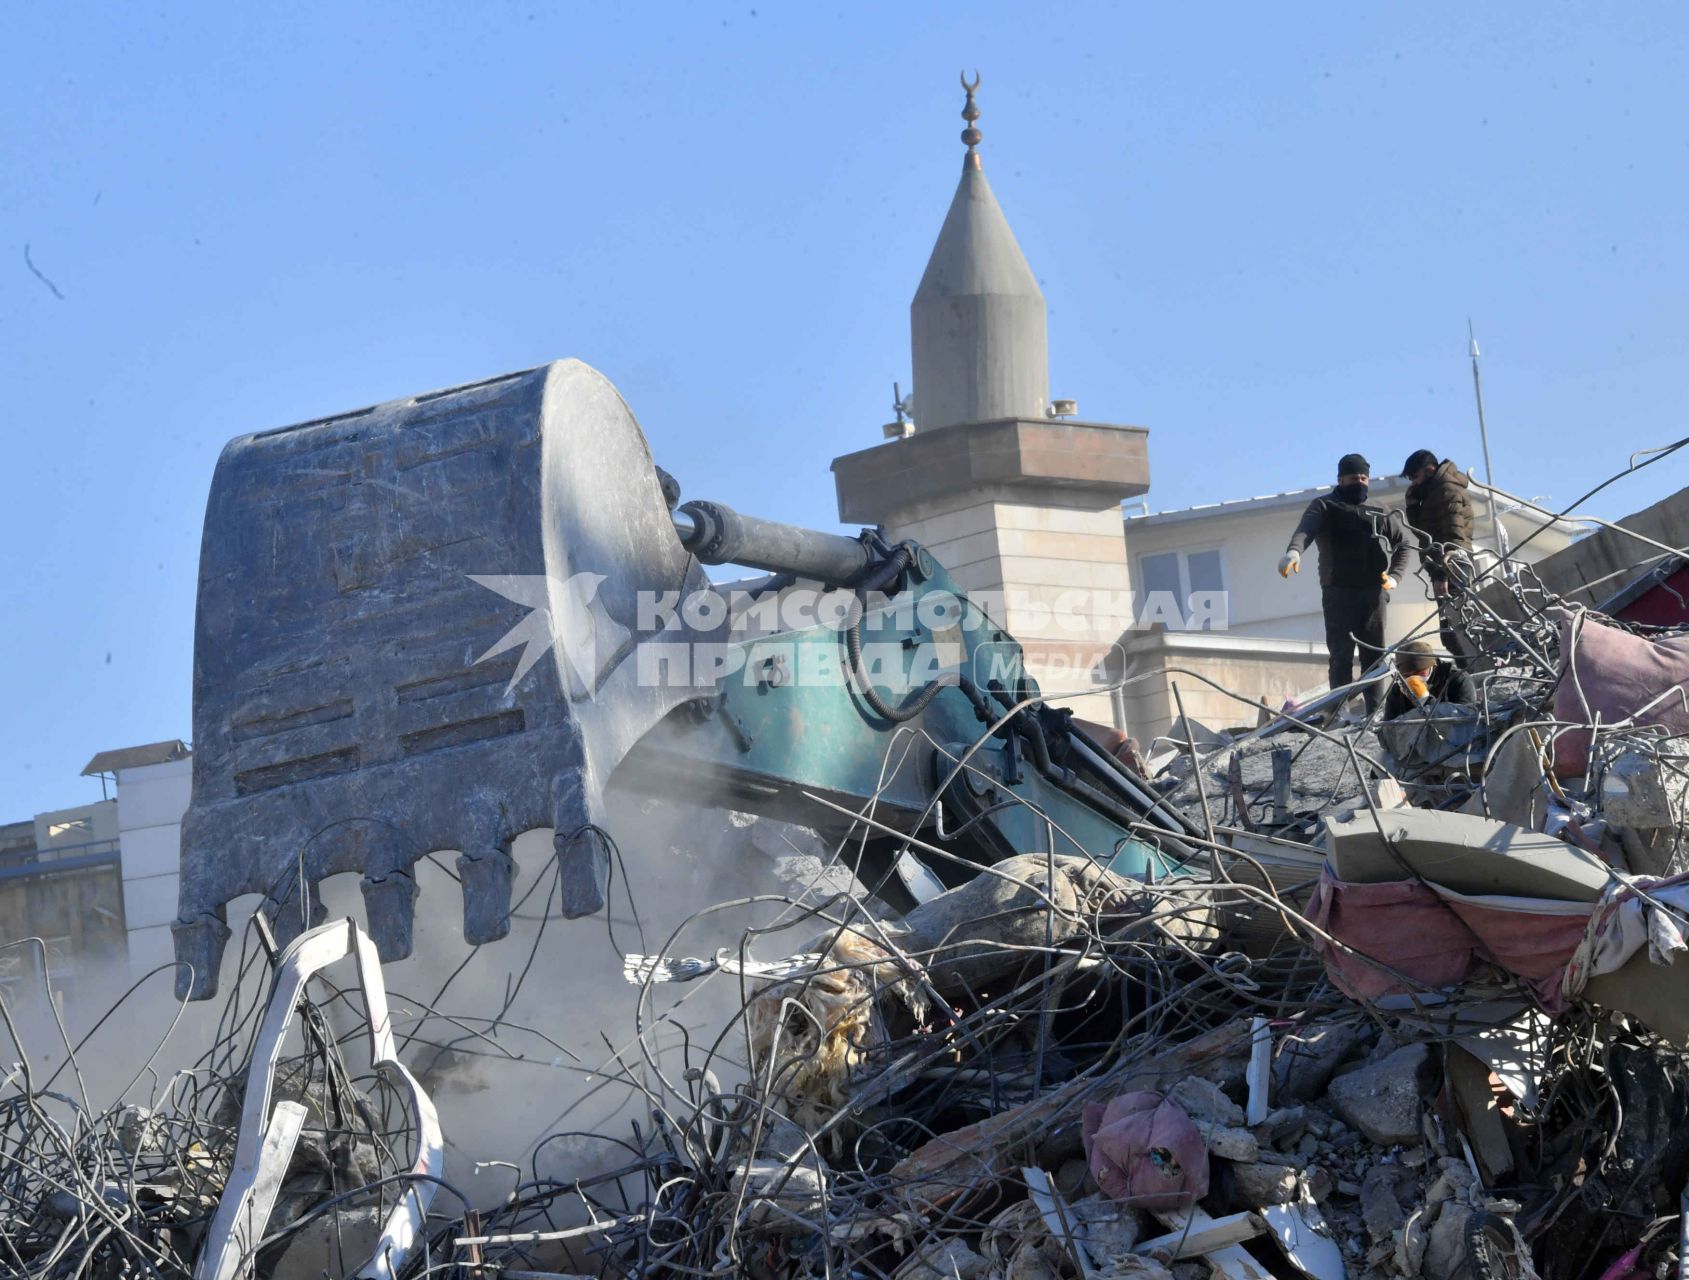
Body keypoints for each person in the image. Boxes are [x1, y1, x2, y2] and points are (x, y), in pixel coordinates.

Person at [1278, 453, 1412, 714]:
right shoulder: (1325, 506)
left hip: (1373, 593)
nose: (1359, 482)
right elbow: (1305, 531)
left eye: (1364, 478)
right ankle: (1338, 714)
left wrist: (1395, 576)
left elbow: (1403, 544)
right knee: (1341, 655)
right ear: (1340, 479)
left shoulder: (1378, 509)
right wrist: (1294, 552)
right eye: (1353, 478)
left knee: (1375, 656)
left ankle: (1375, 713)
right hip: (1338, 592)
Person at [1401, 448, 1477, 664]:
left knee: (1457, 630)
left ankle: (1472, 671)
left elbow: (1453, 537)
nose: (1413, 483)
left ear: (1429, 470)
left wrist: (1442, 575)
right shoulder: (1432, 492)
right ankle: (1468, 670)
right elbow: (1422, 531)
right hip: (1443, 566)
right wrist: (1413, 504)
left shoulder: (1445, 489)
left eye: (1414, 477)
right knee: (1451, 630)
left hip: (1453, 566)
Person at [1382, 640, 1477, 720]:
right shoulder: (1397, 691)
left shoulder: (1457, 679)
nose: (1414, 677)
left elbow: (1466, 719)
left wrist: (1425, 700)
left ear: (1432, 665)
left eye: (1419, 671)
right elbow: (1389, 731)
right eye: (1407, 675)